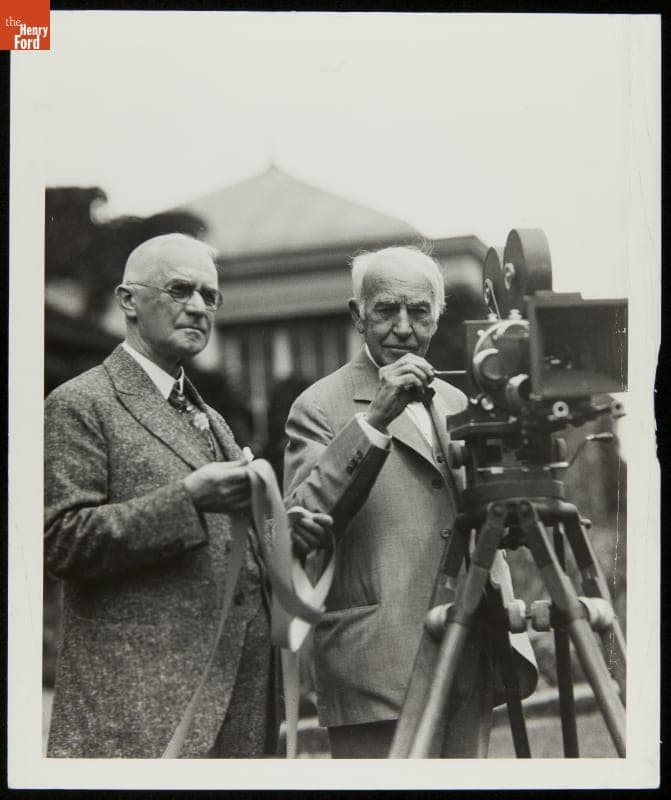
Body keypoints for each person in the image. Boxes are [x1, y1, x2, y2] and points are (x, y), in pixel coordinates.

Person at [44, 233, 330, 758]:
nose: (199, 307)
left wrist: (285, 537)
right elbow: (61, 541)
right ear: (128, 300)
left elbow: (230, 546)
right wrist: (187, 500)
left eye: (210, 295)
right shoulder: (80, 403)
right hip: (145, 711)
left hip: (241, 704)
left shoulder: (212, 418)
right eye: (180, 290)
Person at [283, 245, 537, 758]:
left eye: (419, 311)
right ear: (358, 316)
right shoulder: (319, 405)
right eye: (386, 309)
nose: (403, 326)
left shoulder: (458, 400)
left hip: (470, 651)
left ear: (436, 316)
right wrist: (373, 420)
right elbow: (300, 523)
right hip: (377, 664)